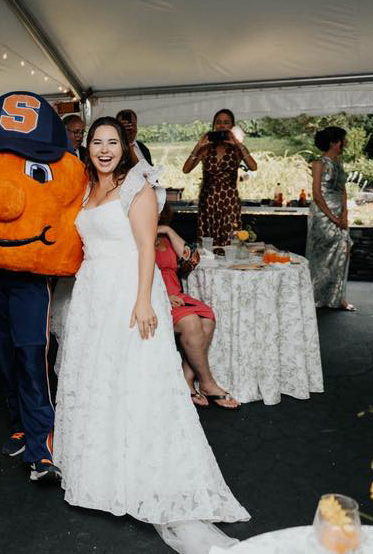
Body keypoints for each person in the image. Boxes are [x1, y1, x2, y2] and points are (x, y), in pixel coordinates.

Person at [54, 117, 249, 553]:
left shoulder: (137, 186)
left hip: (128, 291)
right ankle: (102, 470)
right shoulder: (86, 188)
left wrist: (143, 301)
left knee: (136, 380)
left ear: (125, 147)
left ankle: (141, 471)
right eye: (97, 142)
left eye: (112, 143)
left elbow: (146, 248)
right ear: (87, 148)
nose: (104, 150)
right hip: (92, 296)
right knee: (99, 380)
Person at [156, 204, 239, 409]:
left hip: (177, 295)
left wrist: (167, 230)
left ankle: (187, 380)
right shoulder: (134, 237)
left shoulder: (166, 237)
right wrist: (163, 296)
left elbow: (192, 260)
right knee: (191, 321)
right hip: (154, 296)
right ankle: (207, 383)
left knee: (207, 317)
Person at [183, 109, 257, 246]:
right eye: (218, 122)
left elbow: (253, 167)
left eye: (226, 122)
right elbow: (186, 169)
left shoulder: (236, 149)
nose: (222, 126)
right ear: (214, 125)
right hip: (207, 203)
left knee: (230, 243)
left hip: (229, 203)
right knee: (207, 245)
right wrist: (198, 146)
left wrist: (238, 143)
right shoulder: (206, 148)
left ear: (232, 126)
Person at [305, 126, 355, 310]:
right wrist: (333, 218)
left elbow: (343, 190)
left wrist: (345, 215)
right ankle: (314, 296)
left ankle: (338, 297)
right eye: (343, 139)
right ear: (334, 142)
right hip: (322, 214)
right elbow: (317, 194)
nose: (345, 142)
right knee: (320, 256)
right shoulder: (319, 164)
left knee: (344, 249)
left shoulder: (339, 164)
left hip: (339, 213)